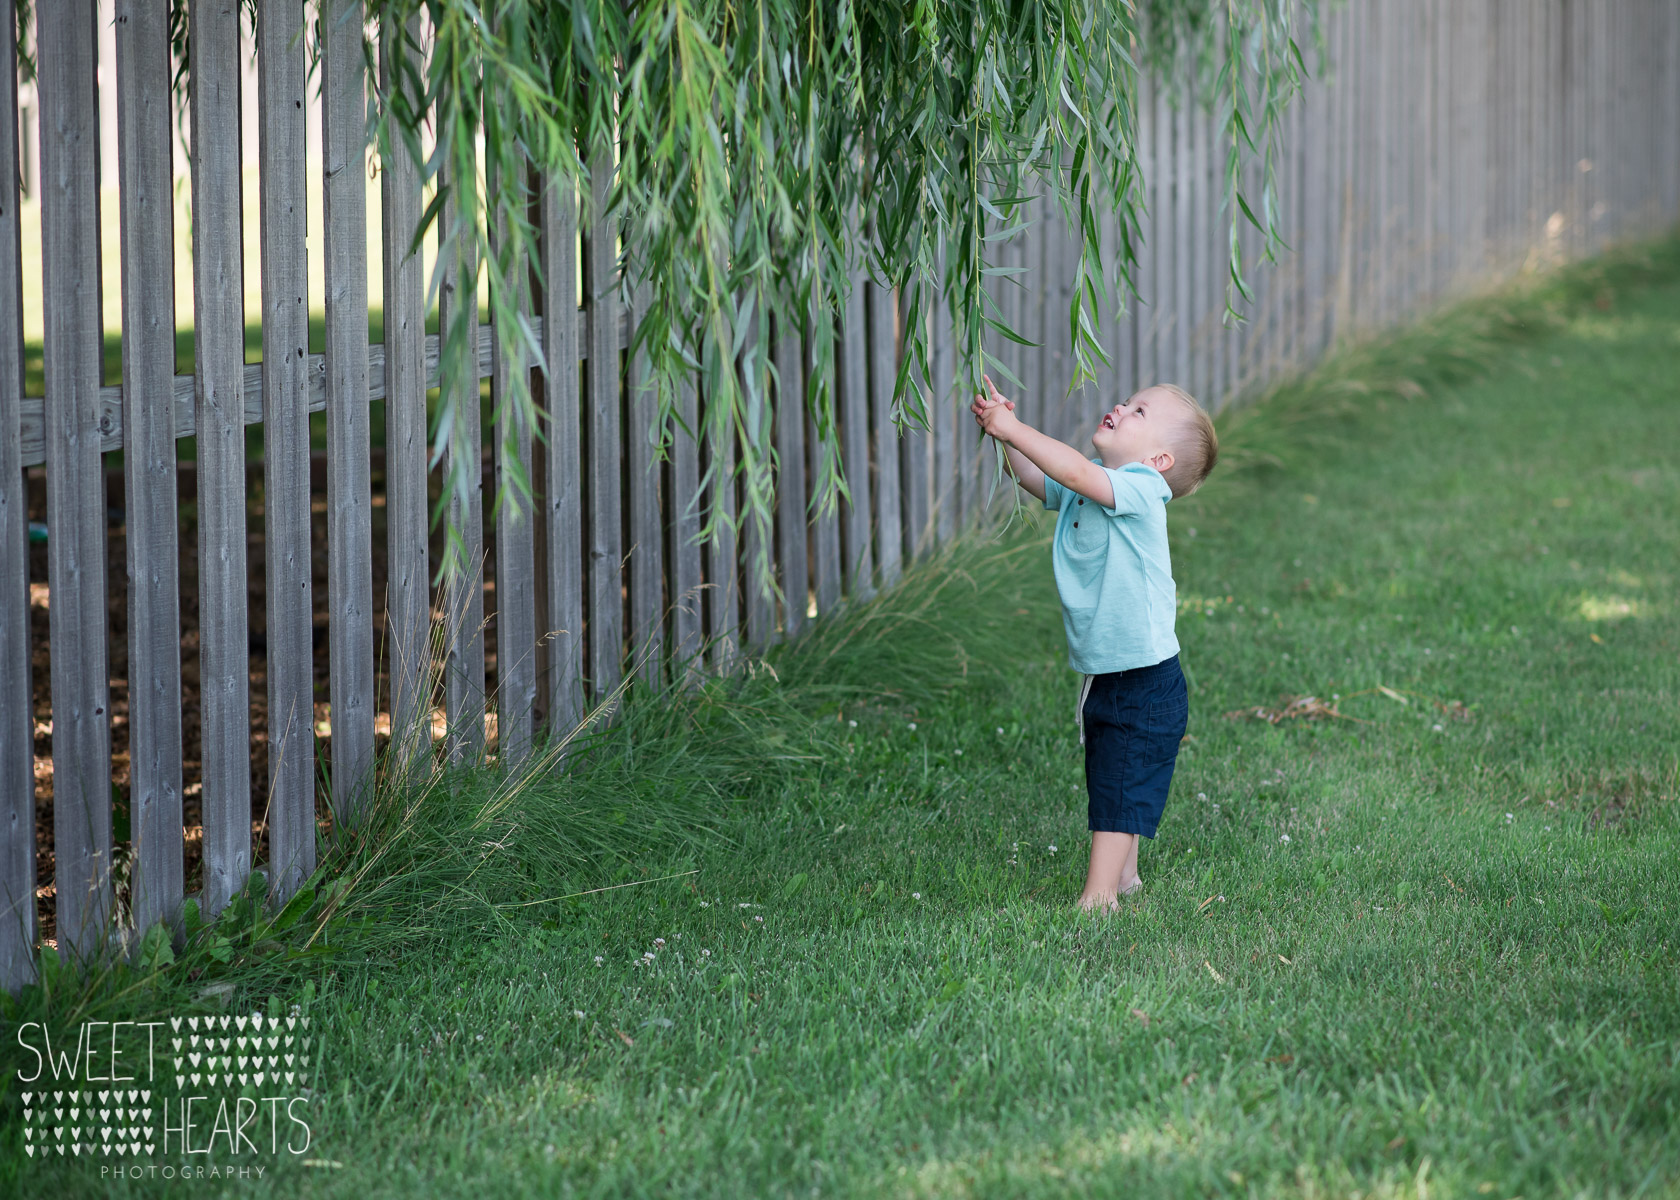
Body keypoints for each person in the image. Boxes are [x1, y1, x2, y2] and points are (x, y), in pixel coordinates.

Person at [970, 374, 1218, 912]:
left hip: (1145, 677)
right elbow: (1041, 478)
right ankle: (1124, 877)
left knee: (1119, 781)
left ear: (1159, 462)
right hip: (1111, 670)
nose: (1121, 408)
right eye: (1127, 402)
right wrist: (1005, 438)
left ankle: (1099, 897)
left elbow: (1074, 470)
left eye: (1140, 413)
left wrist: (1017, 426)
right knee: (1114, 773)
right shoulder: (1096, 485)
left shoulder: (1138, 489)